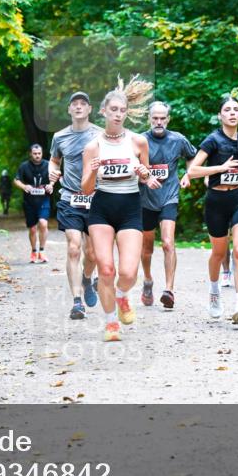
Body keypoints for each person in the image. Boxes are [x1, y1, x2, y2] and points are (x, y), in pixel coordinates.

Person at [81, 76, 161, 342]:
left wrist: (144, 173)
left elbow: (146, 177)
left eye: (122, 110)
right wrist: (93, 172)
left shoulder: (138, 142)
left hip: (129, 209)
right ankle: (111, 322)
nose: (117, 114)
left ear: (127, 113)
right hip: (102, 208)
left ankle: (122, 295)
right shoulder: (93, 146)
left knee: (128, 273)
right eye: (113, 110)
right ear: (103, 111)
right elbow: (86, 190)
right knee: (106, 270)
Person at [187, 95, 238, 325]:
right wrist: (220, 168)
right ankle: (214, 291)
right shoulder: (212, 140)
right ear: (220, 115)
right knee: (219, 253)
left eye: (236, 109)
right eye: (227, 110)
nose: (232, 113)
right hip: (216, 201)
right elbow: (193, 171)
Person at [139, 101, 197, 309]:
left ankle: (169, 290)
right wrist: (145, 178)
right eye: (155, 118)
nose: (159, 122)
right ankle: (147, 280)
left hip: (169, 197)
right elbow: (131, 166)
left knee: (167, 243)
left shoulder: (178, 139)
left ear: (168, 119)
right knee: (146, 248)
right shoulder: (140, 141)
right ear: (149, 118)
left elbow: (193, 157)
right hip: (145, 200)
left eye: (163, 118)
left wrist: (188, 175)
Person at [49, 92, 102, 319]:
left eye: (83, 104)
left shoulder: (101, 135)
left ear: (89, 109)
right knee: (74, 247)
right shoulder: (59, 137)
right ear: (69, 110)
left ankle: (87, 279)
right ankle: (77, 302)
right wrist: (51, 169)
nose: (78, 107)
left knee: (92, 253)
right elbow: (54, 160)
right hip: (70, 198)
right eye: (74, 104)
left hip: (96, 198)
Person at [15, 145, 53, 263]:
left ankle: (42, 251)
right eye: (35, 153)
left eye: (39, 153)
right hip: (29, 202)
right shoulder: (24, 166)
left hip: (44, 200)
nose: (37, 155)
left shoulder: (48, 165)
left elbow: (55, 177)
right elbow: (16, 180)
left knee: (43, 223)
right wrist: (24, 186)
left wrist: (51, 185)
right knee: (32, 229)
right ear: (30, 154)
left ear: (42, 153)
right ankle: (33, 251)